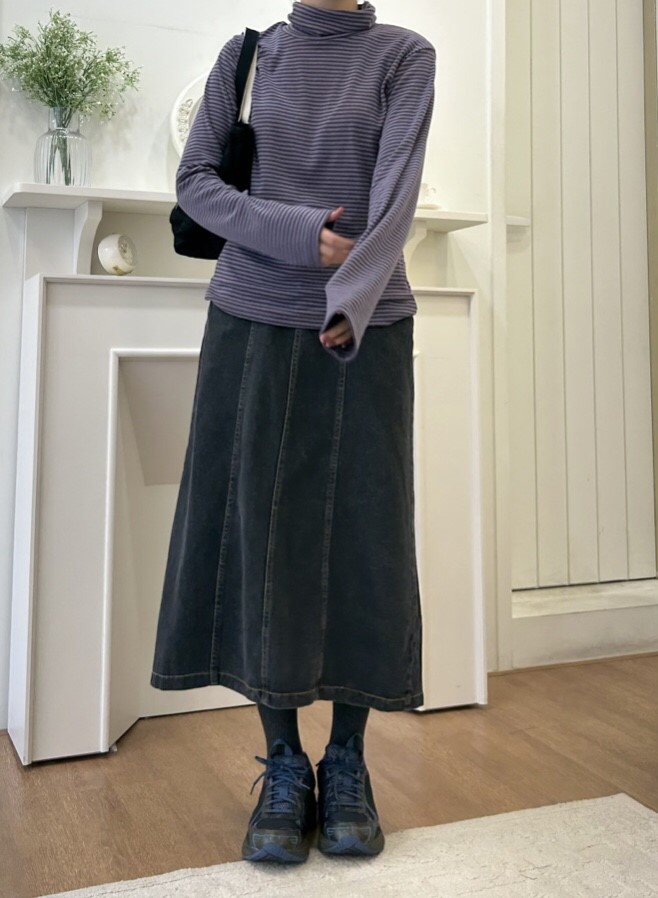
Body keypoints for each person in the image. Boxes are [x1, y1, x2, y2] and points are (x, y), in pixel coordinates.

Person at [150, 0, 436, 865]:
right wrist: (303, 235)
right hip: (248, 321)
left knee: (364, 540)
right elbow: (198, 184)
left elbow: (395, 197)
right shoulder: (248, 57)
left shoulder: (404, 56)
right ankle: (283, 762)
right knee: (257, 536)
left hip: (366, 328)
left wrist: (347, 297)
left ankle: (346, 760)